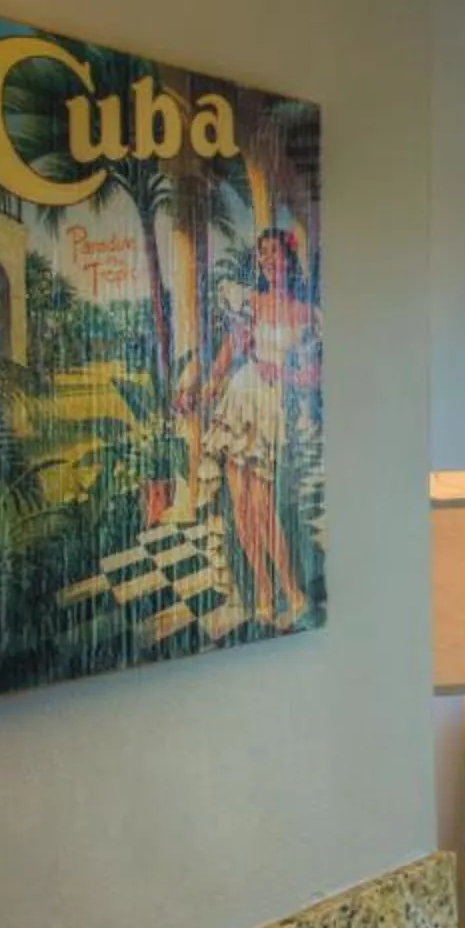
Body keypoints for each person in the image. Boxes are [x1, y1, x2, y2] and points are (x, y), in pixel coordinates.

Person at [194, 227, 318, 628]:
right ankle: (264, 590)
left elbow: (314, 376)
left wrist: (281, 372)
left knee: (264, 508)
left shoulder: (306, 313)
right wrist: (210, 384)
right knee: (243, 509)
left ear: (288, 259)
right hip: (240, 400)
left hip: (271, 408)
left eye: (274, 252)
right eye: (262, 253)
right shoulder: (251, 302)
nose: (267, 260)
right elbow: (231, 348)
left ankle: (293, 591)